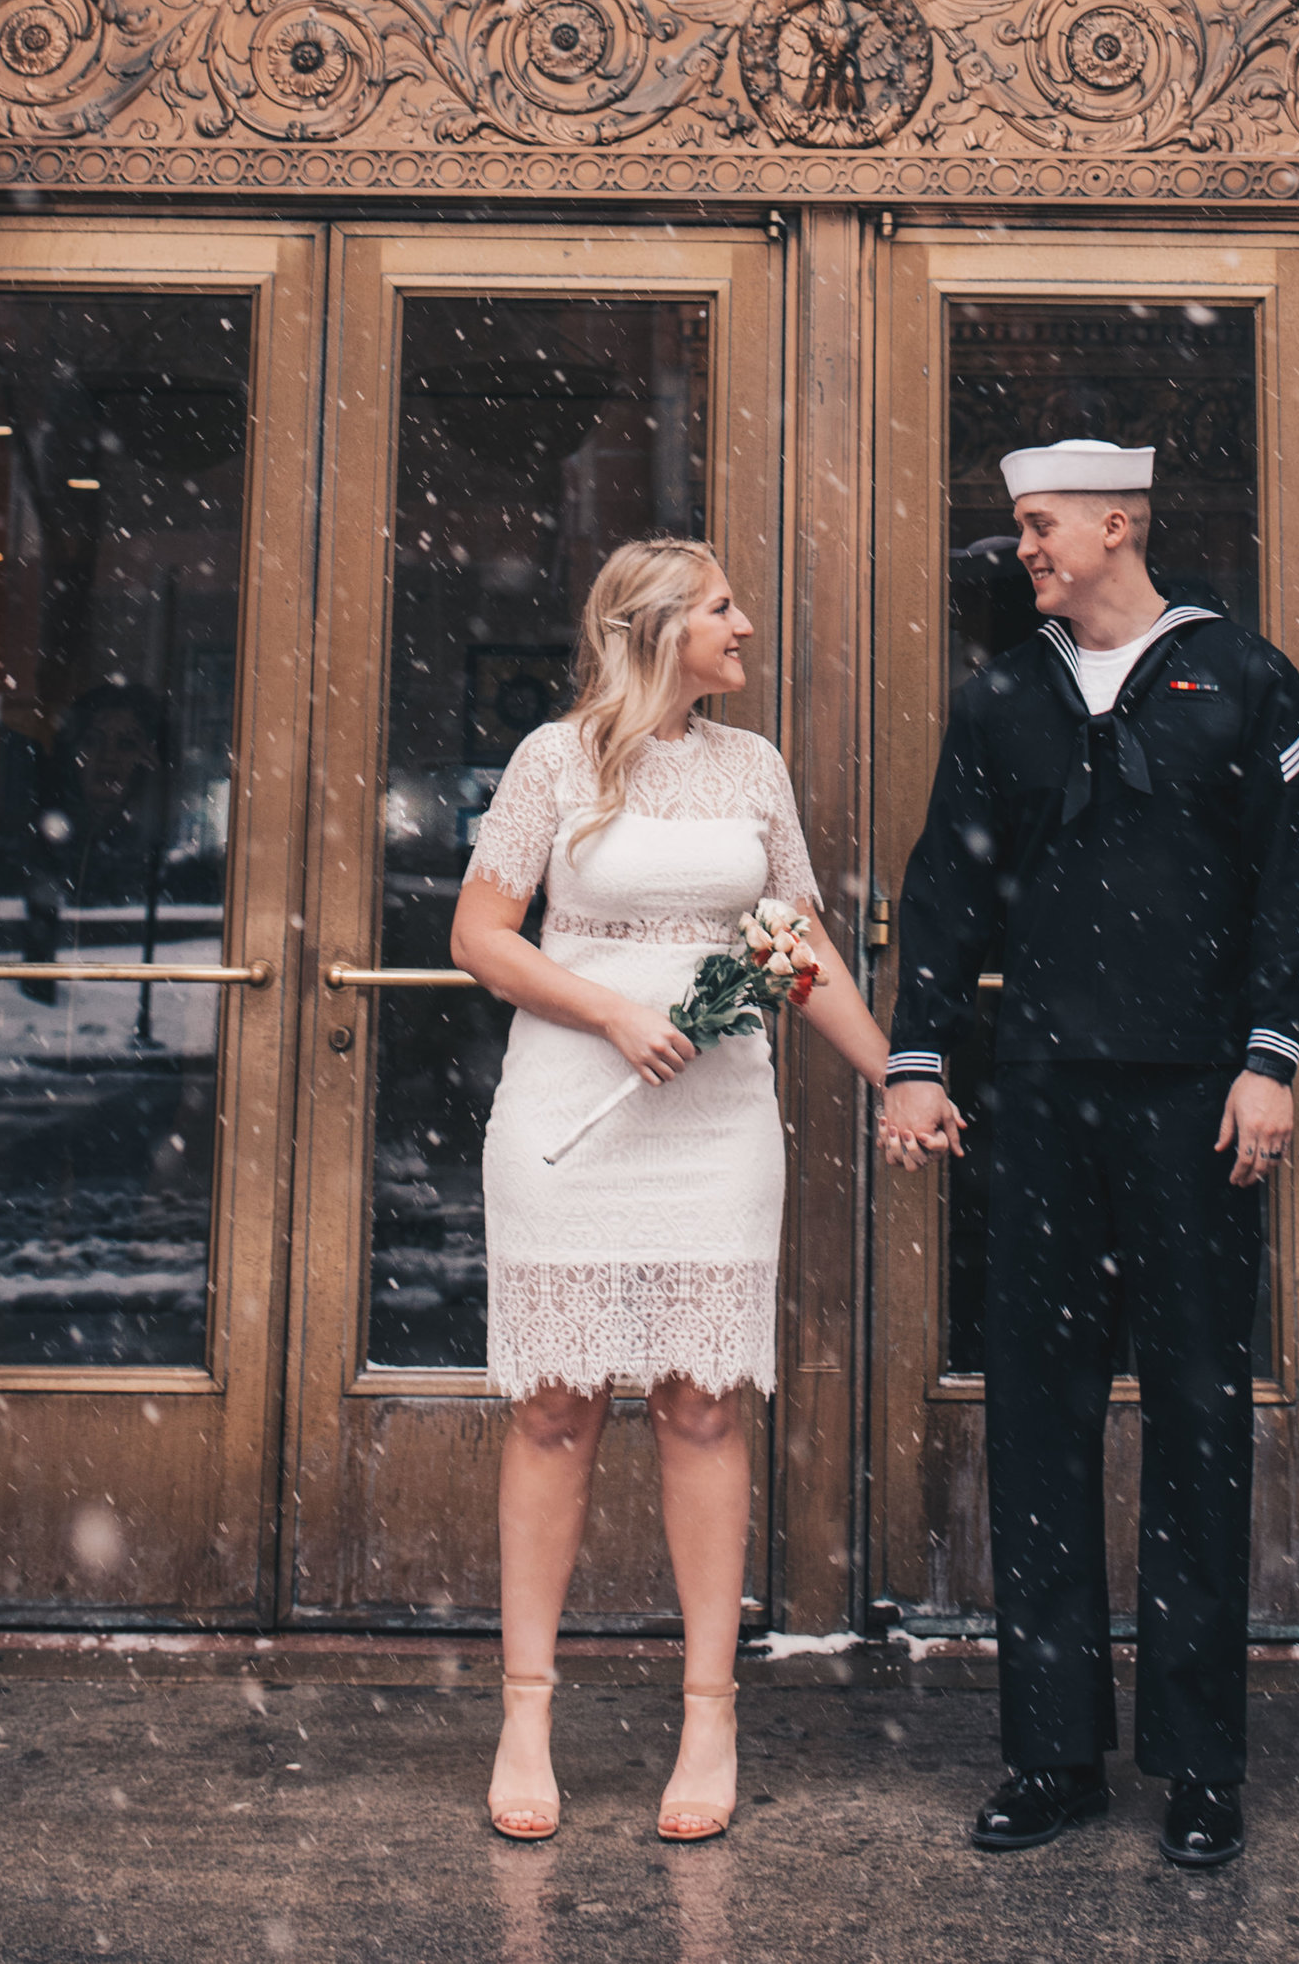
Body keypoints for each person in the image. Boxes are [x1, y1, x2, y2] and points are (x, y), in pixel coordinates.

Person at [877, 439, 1299, 1870]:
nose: (1021, 546)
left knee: (1198, 1423)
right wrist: (916, 1053)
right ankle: (1054, 1750)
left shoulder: (1245, 676)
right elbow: (946, 885)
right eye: (1017, 524)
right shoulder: (1003, 693)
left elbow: (1295, 882)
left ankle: (1200, 1766)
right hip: (1046, 1100)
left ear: (1119, 522)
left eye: (1040, 523)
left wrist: (1273, 1054)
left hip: (1200, 1103)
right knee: (1039, 1420)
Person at [452, 535, 893, 1845]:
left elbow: (796, 941)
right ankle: (525, 1710)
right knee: (553, 1406)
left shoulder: (753, 768)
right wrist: (604, 1008)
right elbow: (480, 933)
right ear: (655, 629)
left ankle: (710, 1711)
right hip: (568, 1114)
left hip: (716, 1119)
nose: (744, 624)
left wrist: (893, 1075)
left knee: (702, 1403)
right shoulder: (554, 759)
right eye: (720, 607)